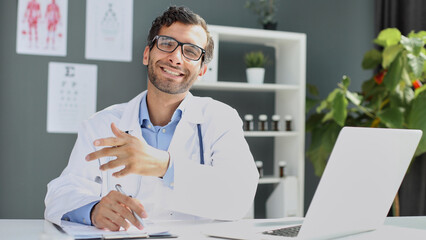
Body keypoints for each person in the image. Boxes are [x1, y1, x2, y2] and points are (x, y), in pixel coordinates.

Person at [45, 6, 259, 231]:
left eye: (191, 52)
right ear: (147, 54)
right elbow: (61, 193)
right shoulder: (102, 124)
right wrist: (92, 210)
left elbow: (239, 197)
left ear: (202, 70)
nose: (176, 57)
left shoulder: (220, 119)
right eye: (167, 44)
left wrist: (164, 166)